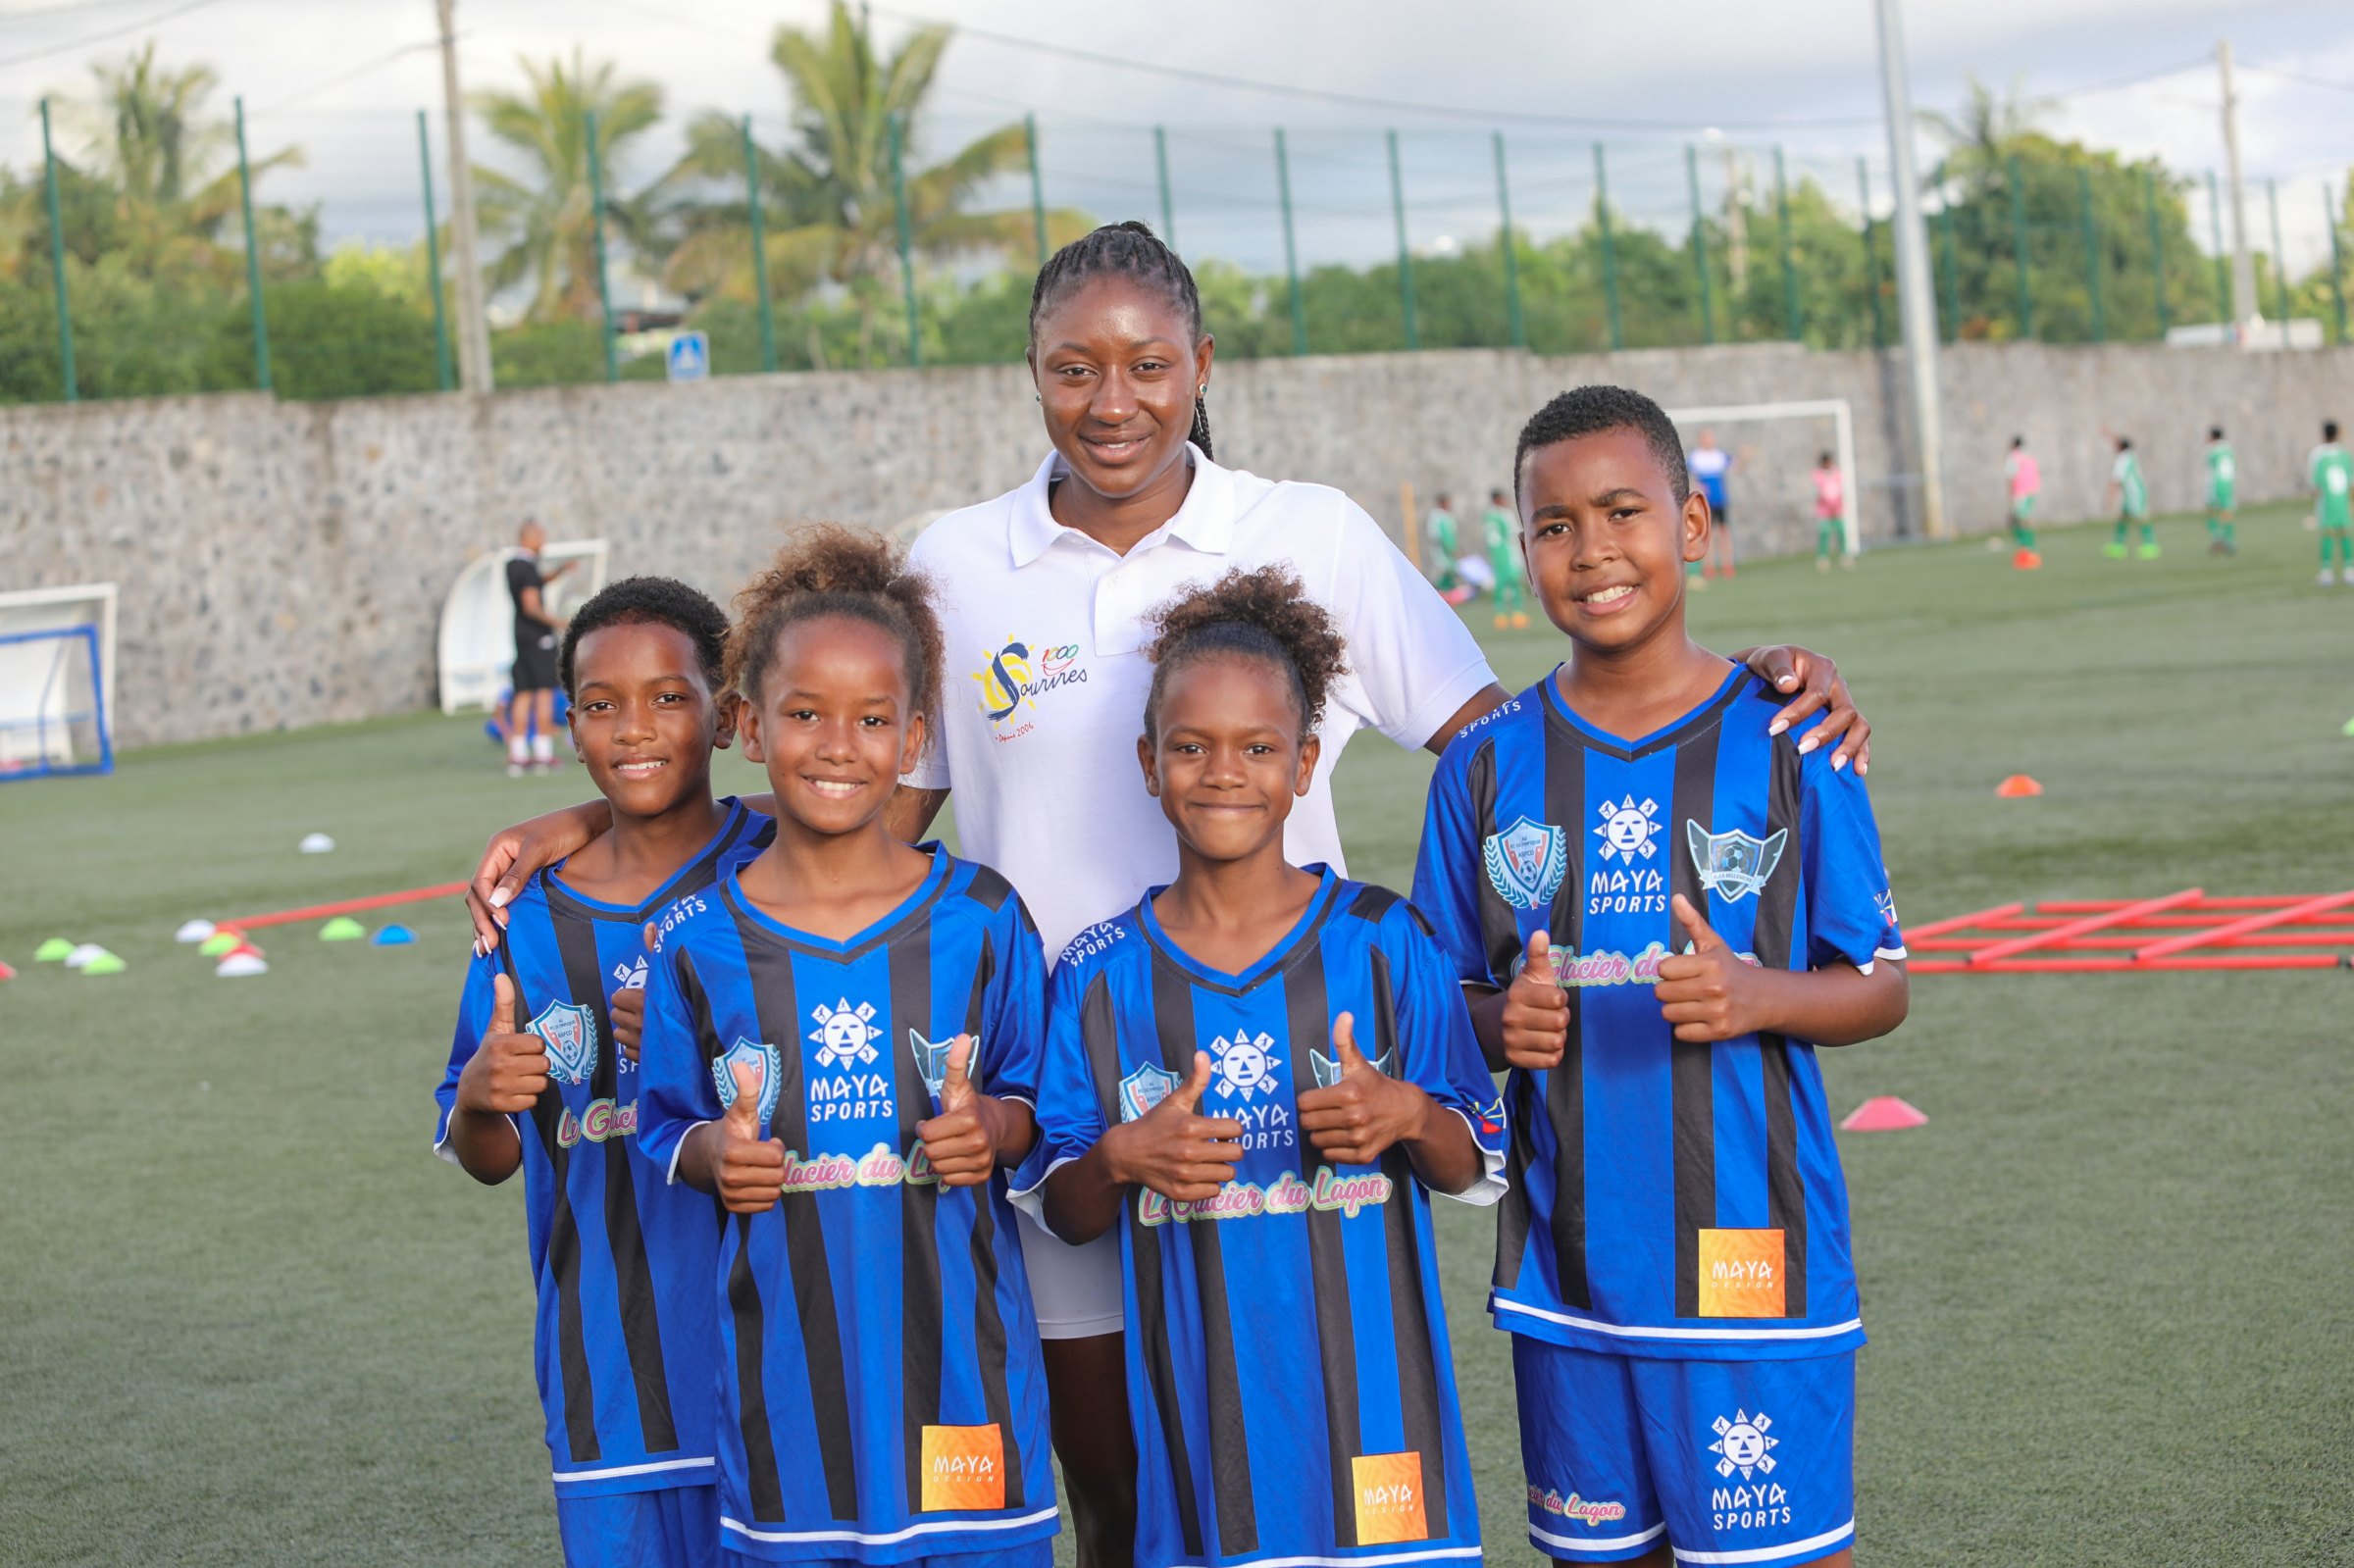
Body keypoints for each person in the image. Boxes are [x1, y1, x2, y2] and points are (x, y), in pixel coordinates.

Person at [465, 221, 1871, 1568]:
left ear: (1201, 364)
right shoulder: (956, 560)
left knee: (1303, 1446)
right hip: (1061, 1105)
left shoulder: (1309, 532)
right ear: (1032, 374)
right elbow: (850, 807)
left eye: (1148, 365)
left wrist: (1750, 685)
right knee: (1115, 1491)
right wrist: (610, 810)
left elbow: (1513, 745)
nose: (1113, 401)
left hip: (1293, 1101)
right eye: (1074, 367)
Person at [1411, 385, 1910, 1568]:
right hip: (1568, 1279)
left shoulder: (1794, 736)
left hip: (1753, 1268)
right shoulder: (1480, 768)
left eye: (1622, 512)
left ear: (1691, 524)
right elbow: (1435, 1008)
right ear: (1523, 547)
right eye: (1555, 526)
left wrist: (1761, 995)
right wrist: (1500, 1022)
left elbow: (1881, 983)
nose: (1591, 552)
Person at [1013, 564, 1506, 1568]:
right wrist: (1121, 1157)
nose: (1223, 772)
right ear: (1149, 762)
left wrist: (1410, 1114)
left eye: (1258, 747)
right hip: (1204, 1440)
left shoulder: (1385, 942)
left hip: (1379, 1419)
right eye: (1191, 746)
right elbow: (1064, 1206)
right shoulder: (1099, 975)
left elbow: (1471, 1162)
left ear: (1305, 762)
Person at [636, 526, 1058, 1568]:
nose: (838, 744)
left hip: (965, 1376)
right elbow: (664, 1123)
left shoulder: (982, 917)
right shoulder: (697, 942)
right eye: (805, 714)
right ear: (748, 723)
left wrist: (992, 1126)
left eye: (871, 719)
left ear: (914, 738)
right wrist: (713, 1152)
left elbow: (1041, 1107)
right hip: (784, 1389)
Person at [433, 575, 768, 1568]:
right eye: (601, 703)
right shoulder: (524, 920)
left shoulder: (785, 871)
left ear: (725, 714)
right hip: (608, 1372)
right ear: (570, 725)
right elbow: (488, 1153)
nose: (636, 727)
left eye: (669, 696)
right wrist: (483, 1100)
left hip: (784, 1357)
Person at [508, 521, 576, 776]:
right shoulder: (527, 568)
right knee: (544, 692)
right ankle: (543, 753)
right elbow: (531, 606)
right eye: (541, 537)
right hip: (538, 637)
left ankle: (518, 755)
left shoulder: (513, 565)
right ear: (530, 537)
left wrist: (559, 572)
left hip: (520, 636)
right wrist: (559, 622)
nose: (543, 542)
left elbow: (535, 584)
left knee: (523, 693)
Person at [1685, 429, 1736, 580]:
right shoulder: (1696, 457)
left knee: (1724, 532)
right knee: (1709, 534)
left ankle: (1727, 565)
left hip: (1720, 501)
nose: (1709, 440)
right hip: (1706, 502)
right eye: (1706, 438)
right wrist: (1696, 485)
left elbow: (1736, 465)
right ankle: (1709, 567)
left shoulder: (1719, 455)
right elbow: (1687, 475)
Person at [2311, 420, 2351, 586]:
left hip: (2327, 503)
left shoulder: (2320, 457)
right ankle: (2350, 570)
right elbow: (2351, 483)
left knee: (2328, 535)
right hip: (2343, 502)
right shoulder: (2345, 456)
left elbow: (2316, 487)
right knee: (2345, 534)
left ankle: (2326, 572)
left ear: (2323, 435)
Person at [1485, 486, 1531, 628]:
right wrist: (1500, 557)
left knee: (1515, 582)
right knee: (1502, 583)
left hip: (1512, 554)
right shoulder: (1492, 516)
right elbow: (1493, 540)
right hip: (1503, 556)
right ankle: (1501, 615)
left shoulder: (1506, 513)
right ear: (1496, 499)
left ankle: (1518, 613)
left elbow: (1516, 533)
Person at [2105, 436, 2155, 560]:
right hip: (2132, 493)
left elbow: (2116, 480)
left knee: (2140, 518)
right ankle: (2118, 546)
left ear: (2121, 446)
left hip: (2134, 493)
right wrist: (2106, 432)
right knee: (2123, 518)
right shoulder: (2130, 455)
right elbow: (2118, 440)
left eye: (2117, 445)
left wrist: (2110, 498)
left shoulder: (2123, 459)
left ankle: (2150, 545)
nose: (2114, 446)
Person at [1424, 492, 1471, 605]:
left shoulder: (1445, 516)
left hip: (1448, 551)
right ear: (1441, 503)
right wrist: (1452, 550)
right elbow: (1444, 537)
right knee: (1445, 572)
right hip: (1444, 552)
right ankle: (1439, 597)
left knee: (1450, 574)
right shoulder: (1439, 518)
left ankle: (1448, 598)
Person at [2004, 436, 2042, 571]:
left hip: (2020, 492)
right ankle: (2028, 545)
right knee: (2023, 518)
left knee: (2020, 519)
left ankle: (2026, 546)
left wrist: (2011, 495)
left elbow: (2010, 477)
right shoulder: (2028, 456)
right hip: (2031, 491)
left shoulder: (2013, 458)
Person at [1811, 452, 1848, 573]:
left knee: (1841, 532)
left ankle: (1844, 556)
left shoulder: (1837, 472)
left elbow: (1839, 490)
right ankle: (1822, 558)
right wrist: (1828, 504)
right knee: (1824, 533)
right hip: (1824, 510)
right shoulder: (1818, 474)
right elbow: (1821, 490)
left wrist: (1837, 505)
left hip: (1837, 509)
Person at [2203, 427, 2238, 556]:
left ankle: (2218, 537)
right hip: (2228, 483)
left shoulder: (2213, 450)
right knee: (2226, 511)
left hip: (2217, 483)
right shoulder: (2228, 449)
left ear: (2213, 437)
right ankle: (2229, 540)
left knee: (2210, 511)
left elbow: (2211, 469)